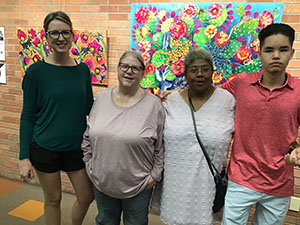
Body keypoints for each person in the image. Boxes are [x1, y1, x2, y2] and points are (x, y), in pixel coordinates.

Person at [18, 11, 94, 225]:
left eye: (65, 33)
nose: (61, 38)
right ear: (46, 37)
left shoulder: (82, 70)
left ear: (73, 35)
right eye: (55, 33)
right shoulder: (35, 72)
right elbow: (27, 116)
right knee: (53, 199)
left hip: (75, 146)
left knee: (87, 195)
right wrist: (24, 157)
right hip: (45, 147)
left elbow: (91, 107)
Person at [221, 23, 300, 225]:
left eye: (282, 50)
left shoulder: (299, 90)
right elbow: (210, 96)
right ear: (259, 53)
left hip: (280, 181)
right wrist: (178, 95)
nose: (276, 55)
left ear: (292, 52)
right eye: (269, 50)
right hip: (241, 177)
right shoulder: (241, 83)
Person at [82, 50, 165, 225]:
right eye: (125, 66)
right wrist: (88, 162)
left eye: (135, 68)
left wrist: (154, 177)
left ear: (143, 73)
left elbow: (161, 147)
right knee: (105, 221)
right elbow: (88, 134)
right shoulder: (102, 98)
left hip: (138, 186)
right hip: (102, 183)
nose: (129, 71)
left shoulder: (154, 105)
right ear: (118, 69)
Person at [160, 49, 235, 225]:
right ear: (185, 74)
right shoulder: (170, 102)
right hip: (175, 182)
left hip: (207, 183)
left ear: (213, 72)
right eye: (193, 70)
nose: (199, 74)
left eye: (205, 69)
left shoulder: (228, 101)